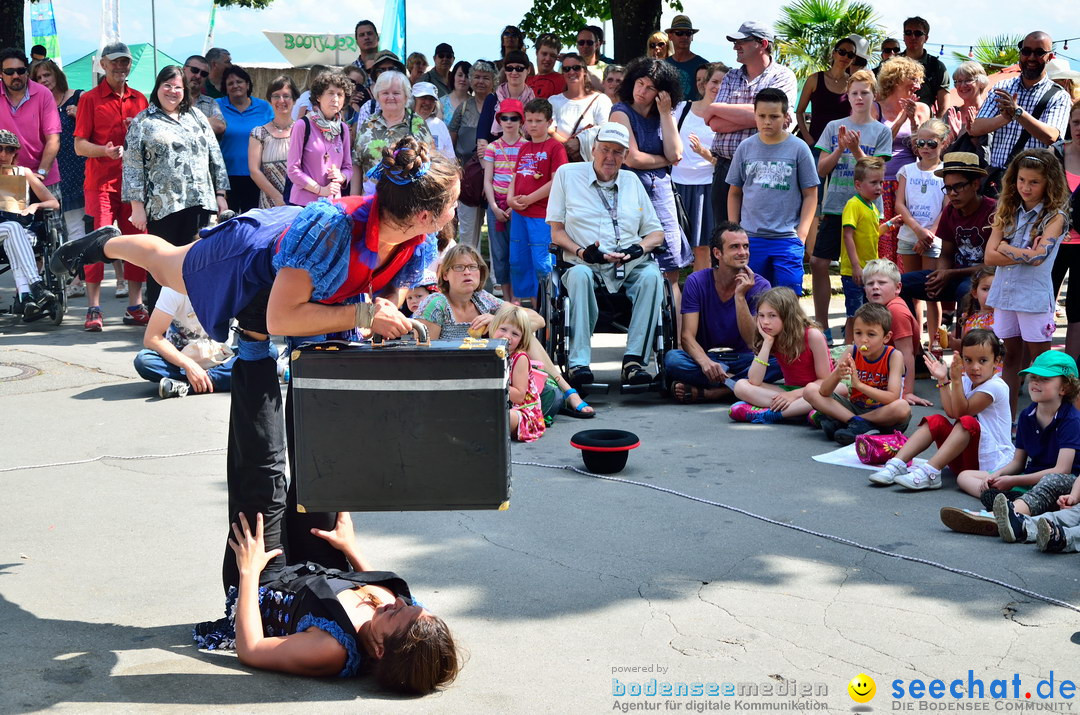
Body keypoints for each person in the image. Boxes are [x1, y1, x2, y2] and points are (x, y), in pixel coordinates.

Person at [53, 135, 453, 600]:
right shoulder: (328, 231)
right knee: (167, 264)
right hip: (251, 256)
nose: (454, 212)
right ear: (424, 214)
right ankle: (112, 243)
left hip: (310, 283)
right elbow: (281, 317)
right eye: (452, 205)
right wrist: (363, 316)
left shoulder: (418, 240)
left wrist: (386, 310)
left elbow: (393, 286)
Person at [199, 508, 459, 693]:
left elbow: (252, 650)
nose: (401, 603)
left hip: (265, 579)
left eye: (395, 614)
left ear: (380, 650)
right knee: (315, 479)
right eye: (412, 606)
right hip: (323, 563)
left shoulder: (331, 650)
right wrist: (350, 547)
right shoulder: (406, 618)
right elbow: (377, 587)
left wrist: (248, 571)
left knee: (265, 472)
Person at [547, 122, 666, 387]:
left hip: (629, 264)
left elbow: (656, 233)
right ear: (593, 149)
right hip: (585, 262)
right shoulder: (567, 175)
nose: (610, 157)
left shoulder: (632, 181)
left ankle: (634, 362)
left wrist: (638, 249)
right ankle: (578, 364)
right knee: (578, 275)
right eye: (604, 149)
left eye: (617, 152)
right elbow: (556, 232)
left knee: (652, 277)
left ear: (625, 156)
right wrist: (581, 252)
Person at [414, 244, 594, 416]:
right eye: (459, 267)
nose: (467, 272)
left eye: (472, 266)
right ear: (445, 274)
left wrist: (496, 321)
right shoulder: (435, 304)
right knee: (546, 396)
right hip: (453, 379)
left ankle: (567, 391)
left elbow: (538, 320)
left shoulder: (481, 299)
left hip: (489, 372)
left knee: (521, 332)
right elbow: (424, 358)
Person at [123, 65, 229, 313]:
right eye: (167, 85)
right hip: (164, 206)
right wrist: (137, 207)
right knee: (163, 264)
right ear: (158, 88)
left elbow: (215, 157)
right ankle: (161, 323)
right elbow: (132, 166)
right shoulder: (143, 121)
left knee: (198, 262)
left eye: (177, 87)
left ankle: (195, 319)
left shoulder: (197, 117)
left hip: (201, 202)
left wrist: (221, 195)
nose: (172, 91)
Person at [984, 148, 1071, 420]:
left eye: (1034, 182)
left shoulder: (1055, 217)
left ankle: (1051, 419)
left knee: (1041, 364)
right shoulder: (1007, 209)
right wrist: (1021, 252)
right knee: (1009, 358)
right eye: (1021, 180)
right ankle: (1008, 420)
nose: (1026, 187)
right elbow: (990, 255)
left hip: (1033, 297)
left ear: (1048, 183)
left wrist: (1007, 248)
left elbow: (1038, 260)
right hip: (1006, 294)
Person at [869, 329, 1011, 490]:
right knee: (936, 420)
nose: (974, 367)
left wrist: (955, 381)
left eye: (983, 360)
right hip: (967, 458)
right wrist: (943, 379)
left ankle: (931, 472)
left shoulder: (996, 386)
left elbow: (961, 413)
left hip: (990, 463)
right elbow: (951, 412)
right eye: (968, 360)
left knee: (967, 422)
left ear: (996, 361)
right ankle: (897, 464)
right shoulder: (966, 380)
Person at [812, 70, 893, 341]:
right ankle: (822, 326)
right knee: (819, 261)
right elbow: (821, 169)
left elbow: (877, 170)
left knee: (863, 271)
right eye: (854, 93)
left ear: (875, 96)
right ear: (848, 96)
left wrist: (857, 150)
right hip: (836, 205)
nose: (859, 98)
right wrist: (839, 149)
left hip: (867, 209)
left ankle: (864, 330)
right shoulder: (834, 126)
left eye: (865, 93)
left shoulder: (881, 131)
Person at [73, 41, 148, 330]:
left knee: (136, 245)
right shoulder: (90, 99)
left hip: (133, 187)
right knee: (97, 245)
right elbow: (79, 146)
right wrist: (103, 151)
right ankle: (93, 308)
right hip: (100, 184)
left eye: (125, 62)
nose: (120, 67)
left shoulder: (140, 99)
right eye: (115, 61)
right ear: (103, 64)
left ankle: (134, 306)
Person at [664, 222, 782, 403]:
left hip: (746, 358)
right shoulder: (697, 281)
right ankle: (741, 386)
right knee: (673, 360)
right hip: (707, 356)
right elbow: (687, 337)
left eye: (745, 246)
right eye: (735, 247)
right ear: (717, 253)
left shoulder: (760, 285)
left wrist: (740, 297)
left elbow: (753, 342)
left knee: (781, 362)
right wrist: (705, 363)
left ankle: (715, 392)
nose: (743, 252)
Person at [610, 57, 692, 312]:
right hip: (630, 197)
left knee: (671, 272)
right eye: (639, 83)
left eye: (650, 87)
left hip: (661, 196)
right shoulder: (620, 112)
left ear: (662, 93)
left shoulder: (663, 115)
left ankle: (678, 344)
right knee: (638, 270)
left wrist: (666, 113)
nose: (642, 91)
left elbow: (676, 153)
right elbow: (631, 158)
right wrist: (664, 161)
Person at [727, 87, 819, 294]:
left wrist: (801, 234)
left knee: (787, 302)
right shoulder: (745, 148)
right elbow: (734, 192)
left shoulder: (799, 148)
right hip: (751, 239)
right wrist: (735, 231)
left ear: (786, 117)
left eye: (774, 116)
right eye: (762, 116)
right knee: (752, 299)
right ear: (755, 115)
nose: (767, 121)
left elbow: (810, 194)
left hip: (786, 240)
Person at [705, 21, 797, 227]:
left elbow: (777, 119)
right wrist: (760, 117)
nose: (735, 46)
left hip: (764, 168)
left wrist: (715, 108)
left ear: (763, 43)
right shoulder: (731, 76)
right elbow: (715, 124)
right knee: (724, 235)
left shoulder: (783, 76)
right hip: (725, 167)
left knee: (759, 233)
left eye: (742, 41)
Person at [966, 351, 1080, 515]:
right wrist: (997, 475)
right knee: (966, 476)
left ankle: (1001, 513)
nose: (1035, 382)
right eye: (1033, 377)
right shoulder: (1027, 415)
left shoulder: (1071, 419)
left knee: (1050, 481)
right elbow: (1018, 462)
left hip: (1063, 481)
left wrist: (1013, 480)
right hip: (1030, 477)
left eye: (1044, 379)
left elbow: (1062, 470)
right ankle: (1016, 500)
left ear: (1065, 387)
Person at [969, 31, 1071, 190]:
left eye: (1039, 53)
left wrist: (1018, 113)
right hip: (998, 180)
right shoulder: (1002, 87)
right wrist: (1003, 118)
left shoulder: (1059, 96)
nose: (1031, 57)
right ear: (1020, 54)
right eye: (1026, 51)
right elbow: (975, 128)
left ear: (1049, 57)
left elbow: (1051, 136)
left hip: (1033, 184)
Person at [898, 152, 995, 312]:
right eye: (948, 188)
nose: (952, 193)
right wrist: (941, 274)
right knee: (897, 284)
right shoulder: (950, 210)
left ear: (975, 184)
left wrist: (949, 273)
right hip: (954, 275)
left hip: (984, 278)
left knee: (966, 292)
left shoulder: (993, 211)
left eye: (958, 186)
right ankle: (907, 335)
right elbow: (946, 253)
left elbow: (993, 265)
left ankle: (966, 337)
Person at [804, 302, 912, 445]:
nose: (863, 339)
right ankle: (856, 424)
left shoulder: (893, 356)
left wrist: (859, 386)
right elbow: (824, 391)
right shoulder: (851, 351)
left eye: (871, 334)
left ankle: (847, 423)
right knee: (810, 390)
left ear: (886, 337)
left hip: (885, 415)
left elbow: (892, 397)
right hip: (856, 409)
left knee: (903, 407)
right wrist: (837, 375)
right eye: (858, 333)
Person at [729, 286, 832, 422]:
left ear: (787, 316)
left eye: (772, 316)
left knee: (839, 390)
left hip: (814, 391)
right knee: (741, 386)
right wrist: (767, 342)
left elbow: (825, 381)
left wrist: (793, 395)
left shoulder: (812, 335)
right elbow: (754, 380)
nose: (765, 322)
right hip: (789, 391)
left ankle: (770, 414)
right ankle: (800, 412)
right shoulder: (771, 335)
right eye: (761, 315)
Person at [893, 118, 948, 347]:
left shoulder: (946, 171)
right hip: (909, 236)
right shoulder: (907, 170)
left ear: (943, 143)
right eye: (921, 143)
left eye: (932, 143)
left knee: (931, 292)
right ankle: (914, 343)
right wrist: (917, 230)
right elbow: (899, 205)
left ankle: (935, 342)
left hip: (933, 239)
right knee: (911, 290)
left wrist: (930, 234)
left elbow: (947, 208)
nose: (925, 147)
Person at [507, 98, 567, 302]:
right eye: (529, 120)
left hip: (541, 215)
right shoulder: (524, 148)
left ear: (549, 122)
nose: (533, 125)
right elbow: (515, 176)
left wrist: (530, 199)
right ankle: (531, 307)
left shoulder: (555, 147)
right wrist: (509, 198)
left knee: (542, 263)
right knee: (519, 261)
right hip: (520, 214)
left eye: (538, 120)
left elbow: (556, 182)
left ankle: (549, 308)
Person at [134, 286, 238, 398]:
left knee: (256, 357)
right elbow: (152, 338)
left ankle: (191, 385)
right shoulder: (174, 287)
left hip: (221, 359)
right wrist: (189, 365)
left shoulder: (235, 285)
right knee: (144, 360)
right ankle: (218, 378)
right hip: (181, 360)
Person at [878, 56, 932, 269]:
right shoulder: (876, 107)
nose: (918, 85)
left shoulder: (922, 108)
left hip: (909, 183)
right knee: (883, 238)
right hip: (881, 182)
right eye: (913, 79)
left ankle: (907, 293)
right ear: (895, 79)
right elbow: (878, 146)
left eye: (920, 80)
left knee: (905, 239)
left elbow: (924, 150)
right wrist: (900, 119)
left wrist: (913, 122)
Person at [838, 157, 901, 339]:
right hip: (854, 271)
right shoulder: (853, 205)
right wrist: (856, 266)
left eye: (881, 182)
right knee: (854, 313)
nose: (879, 187)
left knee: (867, 312)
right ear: (858, 185)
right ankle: (849, 348)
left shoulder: (872, 207)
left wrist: (889, 224)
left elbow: (873, 233)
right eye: (873, 183)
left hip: (869, 271)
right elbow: (848, 235)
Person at [0, 129, 59, 321]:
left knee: (15, 235)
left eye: (9, 150)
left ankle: (25, 296)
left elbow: (53, 203)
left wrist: (35, 205)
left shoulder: (23, 174)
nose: (3, 154)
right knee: (14, 229)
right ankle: (36, 284)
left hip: (18, 234)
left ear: (15, 153)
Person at [28, 59, 85, 254]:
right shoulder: (38, 105)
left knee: (91, 225)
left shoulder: (78, 97)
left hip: (81, 168)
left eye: (47, 75)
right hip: (57, 172)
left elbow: (96, 130)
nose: (43, 80)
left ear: (56, 75)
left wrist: (81, 116)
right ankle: (76, 276)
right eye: (38, 77)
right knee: (65, 227)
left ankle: (85, 274)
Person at [673, 63, 722, 272]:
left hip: (708, 185)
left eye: (723, 82)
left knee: (703, 248)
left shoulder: (727, 117)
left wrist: (704, 152)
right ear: (704, 83)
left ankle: (699, 298)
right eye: (714, 81)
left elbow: (727, 162)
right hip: (677, 184)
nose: (717, 87)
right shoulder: (682, 108)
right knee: (673, 244)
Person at [352, 71, 431, 196]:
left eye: (396, 93)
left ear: (406, 96)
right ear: (378, 96)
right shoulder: (368, 124)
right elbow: (357, 163)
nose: (390, 97)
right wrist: (354, 200)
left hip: (407, 201)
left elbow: (430, 163)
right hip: (370, 202)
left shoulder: (417, 123)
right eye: (385, 93)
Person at [862, 259, 928, 407]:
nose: (875, 287)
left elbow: (907, 354)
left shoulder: (896, 311)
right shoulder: (880, 308)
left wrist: (907, 392)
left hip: (891, 375)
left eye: (882, 283)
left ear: (897, 288)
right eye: (870, 284)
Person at [0, 48, 61, 199]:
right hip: (7, 177)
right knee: (11, 223)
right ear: (1, 74)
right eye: (9, 72)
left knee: (51, 220)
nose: (16, 76)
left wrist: (40, 175)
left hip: (44, 177)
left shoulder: (43, 94)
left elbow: (53, 139)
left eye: (20, 70)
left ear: (27, 72)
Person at [286, 71, 353, 206]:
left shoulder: (343, 129)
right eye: (330, 93)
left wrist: (342, 176)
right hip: (303, 205)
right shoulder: (303, 125)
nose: (335, 98)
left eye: (340, 94)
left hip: (332, 205)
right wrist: (320, 190)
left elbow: (348, 167)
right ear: (318, 96)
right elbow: (293, 169)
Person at [483, 98, 526, 304]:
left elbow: (525, 179)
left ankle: (518, 299)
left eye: (514, 118)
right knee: (499, 256)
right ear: (499, 120)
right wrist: (493, 206)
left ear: (521, 121)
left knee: (517, 255)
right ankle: (507, 301)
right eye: (505, 117)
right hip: (496, 207)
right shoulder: (492, 147)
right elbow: (487, 180)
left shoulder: (527, 147)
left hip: (519, 206)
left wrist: (512, 204)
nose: (509, 122)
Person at [447, 61, 495, 248]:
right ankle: (468, 268)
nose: (481, 81)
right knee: (468, 232)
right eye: (477, 77)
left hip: (496, 177)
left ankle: (495, 276)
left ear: (494, 81)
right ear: (470, 80)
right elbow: (451, 142)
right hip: (468, 179)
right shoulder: (464, 108)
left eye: (486, 77)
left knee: (494, 233)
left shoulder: (499, 108)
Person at [216, 66, 273, 214]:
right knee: (227, 224)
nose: (235, 85)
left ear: (248, 84)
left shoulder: (263, 107)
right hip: (226, 177)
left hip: (257, 175)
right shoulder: (216, 106)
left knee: (253, 220)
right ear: (225, 88)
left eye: (239, 81)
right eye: (230, 83)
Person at [493, 303, 547, 442]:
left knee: (504, 416)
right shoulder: (491, 352)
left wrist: (494, 383)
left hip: (523, 412)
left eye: (515, 334)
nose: (507, 336)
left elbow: (518, 396)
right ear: (493, 329)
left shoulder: (520, 358)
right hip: (501, 404)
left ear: (522, 339)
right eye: (503, 329)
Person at [1052, 100, 1080, 357]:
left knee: (1077, 311)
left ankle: (1070, 376)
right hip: (1052, 243)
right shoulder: (1055, 153)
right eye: (1076, 122)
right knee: (1040, 306)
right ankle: (1036, 371)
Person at [794, 37, 856, 149]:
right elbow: (799, 112)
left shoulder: (854, 83)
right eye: (842, 52)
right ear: (834, 53)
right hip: (816, 145)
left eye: (850, 55)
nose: (845, 57)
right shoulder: (814, 79)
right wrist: (809, 139)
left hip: (844, 148)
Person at [548, 53, 612, 160]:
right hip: (560, 162)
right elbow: (549, 131)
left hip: (591, 163)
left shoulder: (601, 100)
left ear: (585, 71)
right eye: (566, 69)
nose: (571, 72)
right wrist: (568, 146)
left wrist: (580, 143)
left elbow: (606, 132)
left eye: (576, 68)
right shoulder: (553, 101)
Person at [249, 75, 297, 209]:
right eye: (276, 96)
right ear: (270, 100)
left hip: (298, 203)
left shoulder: (304, 130)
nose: (281, 100)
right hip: (270, 204)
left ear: (294, 99)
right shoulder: (258, 133)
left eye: (286, 96)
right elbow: (254, 171)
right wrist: (277, 198)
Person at [478, 50, 536, 143]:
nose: (514, 72)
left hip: (524, 153)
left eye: (519, 68)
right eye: (509, 68)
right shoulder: (492, 99)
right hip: (493, 153)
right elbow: (482, 135)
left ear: (528, 70)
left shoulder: (534, 103)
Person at [899, 17, 950, 116]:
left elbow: (944, 107)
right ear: (903, 36)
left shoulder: (937, 66)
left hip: (923, 124)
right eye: (908, 33)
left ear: (926, 38)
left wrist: (934, 128)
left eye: (918, 33)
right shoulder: (890, 64)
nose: (913, 37)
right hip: (893, 122)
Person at [940, 266, 996, 352]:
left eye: (996, 289)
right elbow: (965, 348)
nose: (991, 293)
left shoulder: (1003, 319)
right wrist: (951, 342)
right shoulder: (969, 319)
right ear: (975, 293)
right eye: (986, 289)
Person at [943, 61, 989, 158]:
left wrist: (973, 134)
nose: (962, 85)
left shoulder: (989, 112)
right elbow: (939, 152)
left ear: (981, 82)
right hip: (952, 169)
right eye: (958, 81)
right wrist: (952, 137)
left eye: (968, 80)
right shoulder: (951, 113)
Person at [664, 15, 708, 101]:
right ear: (670, 36)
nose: (684, 37)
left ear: (692, 37)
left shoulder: (705, 66)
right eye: (679, 33)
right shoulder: (663, 66)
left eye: (688, 33)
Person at [183, 55, 226, 135]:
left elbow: (219, 126)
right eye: (194, 70)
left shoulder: (210, 103)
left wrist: (183, 119)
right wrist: (207, 122)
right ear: (184, 69)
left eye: (204, 74)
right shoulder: (172, 97)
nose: (198, 76)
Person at [412, 82, 453, 159]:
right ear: (413, 100)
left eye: (431, 99)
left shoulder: (439, 125)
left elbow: (451, 157)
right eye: (423, 97)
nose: (427, 102)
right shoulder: (404, 122)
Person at [527, 34, 565, 99]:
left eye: (552, 55)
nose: (547, 59)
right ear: (537, 53)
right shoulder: (525, 82)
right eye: (544, 54)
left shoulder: (564, 81)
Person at [576, 26, 607, 91]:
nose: (585, 46)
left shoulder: (606, 69)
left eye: (589, 42)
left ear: (597, 45)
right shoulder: (566, 68)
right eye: (581, 42)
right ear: (577, 45)